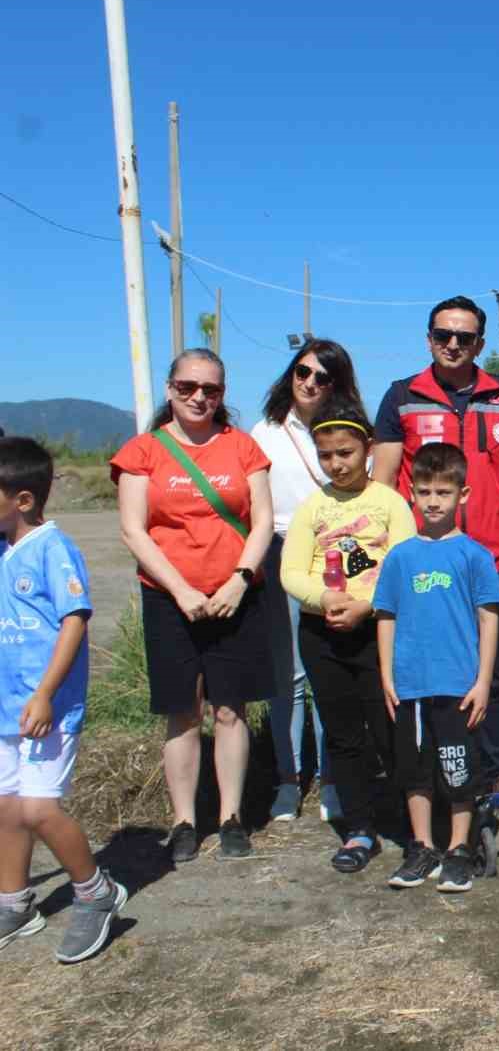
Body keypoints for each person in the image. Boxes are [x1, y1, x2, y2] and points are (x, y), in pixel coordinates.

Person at [111, 349, 274, 862]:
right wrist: (181, 589)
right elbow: (133, 529)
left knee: (231, 709)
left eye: (211, 389)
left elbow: (264, 521)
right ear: (169, 389)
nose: (199, 397)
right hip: (168, 598)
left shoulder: (243, 447)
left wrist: (239, 582)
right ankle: (184, 821)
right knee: (182, 711)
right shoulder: (143, 451)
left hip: (235, 598)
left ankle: (231, 816)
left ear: (224, 394)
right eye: (188, 387)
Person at [373, 296, 499, 802]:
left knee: (498, 668)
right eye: (444, 335)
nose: (453, 345)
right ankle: (436, 772)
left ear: (480, 343)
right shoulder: (402, 396)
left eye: (464, 337)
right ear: (429, 339)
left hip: (496, 555)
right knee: (431, 668)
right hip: (424, 559)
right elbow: (384, 485)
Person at [0, 438, 127, 964]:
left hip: (44, 707)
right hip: (5, 706)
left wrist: (46, 693)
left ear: (23, 499)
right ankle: (15, 904)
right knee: (6, 807)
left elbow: (74, 618)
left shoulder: (54, 548)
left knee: (38, 809)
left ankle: (97, 893)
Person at [280, 403, 415, 872]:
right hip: (323, 633)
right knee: (342, 734)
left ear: (368, 450)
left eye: (346, 453)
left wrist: (365, 606)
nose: (336, 464)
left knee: (388, 729)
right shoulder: (313, 507)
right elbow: (291, 572)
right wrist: (325, 600)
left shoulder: (390, 503)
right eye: (326, 456)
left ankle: (411, 824)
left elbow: (403, 567)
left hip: (377, 631)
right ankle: (359, 829)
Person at [374, 443, 499, 894]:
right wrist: (387, 675)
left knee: (459, 770)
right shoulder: (400, 557)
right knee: (414, 770)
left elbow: (489, 619)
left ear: (462, 495)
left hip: (459, 685)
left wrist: (483, 680)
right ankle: (422, 846)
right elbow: (386, 615)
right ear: (410, 493)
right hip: (410, 686)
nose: (433, 501)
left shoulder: (474, 556)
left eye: (443, 492)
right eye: (424, 491)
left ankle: (459, 849)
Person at [251, 339, 363, 822]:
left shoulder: (354, 431)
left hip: (340, 552)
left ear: (337, 384)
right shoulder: (266, 432)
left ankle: (335, 779)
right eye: (302, 372)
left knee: (331, 671)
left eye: (322, 376)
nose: (310, 383)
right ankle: (288, 778)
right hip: (281, 553)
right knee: (289, 675)